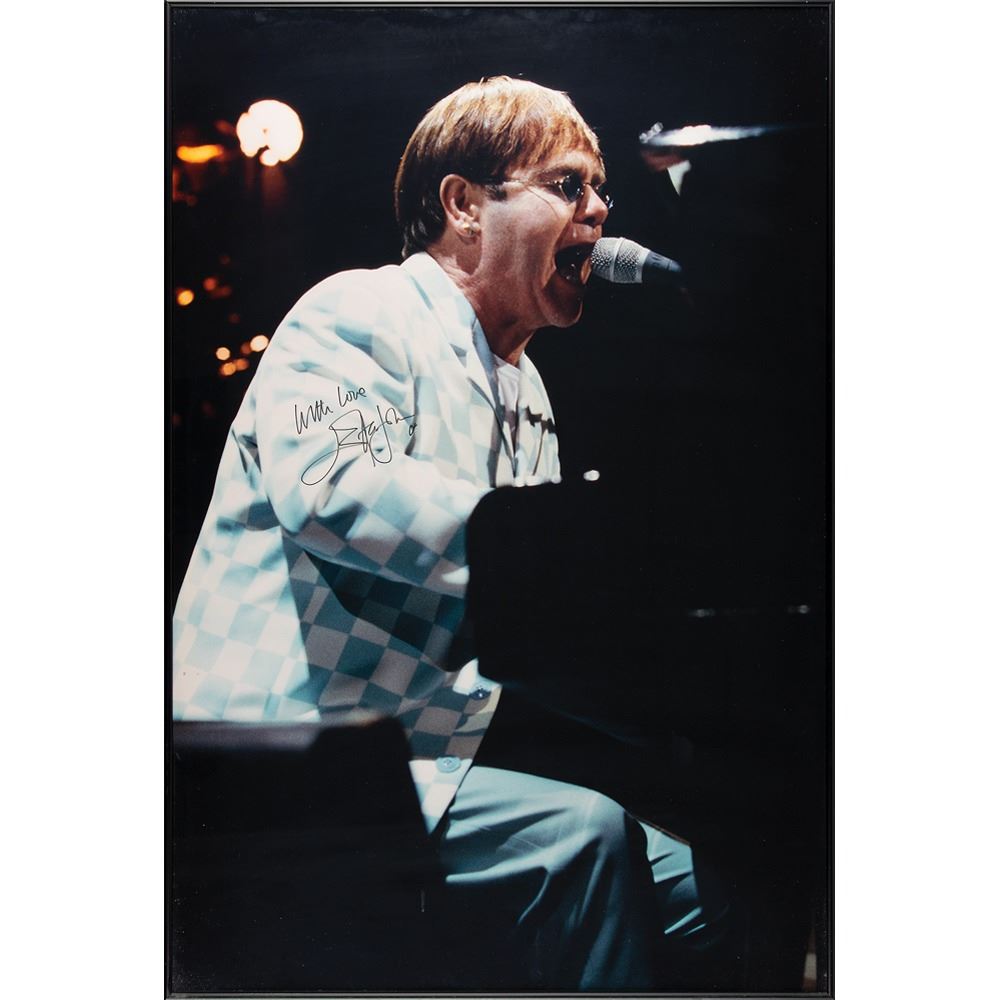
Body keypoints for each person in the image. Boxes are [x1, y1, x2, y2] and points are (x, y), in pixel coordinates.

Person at [172, 76, 727, 990]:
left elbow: (536, 627)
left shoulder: (529, 391)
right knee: (580, 839)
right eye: (568, 184)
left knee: (722, 879)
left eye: (601, 190)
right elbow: (338, 495)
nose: (599, 210)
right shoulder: (357, 312)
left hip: (427, 763)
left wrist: (685, 712)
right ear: (464, 204)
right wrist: (525, 543)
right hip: (282, 755)